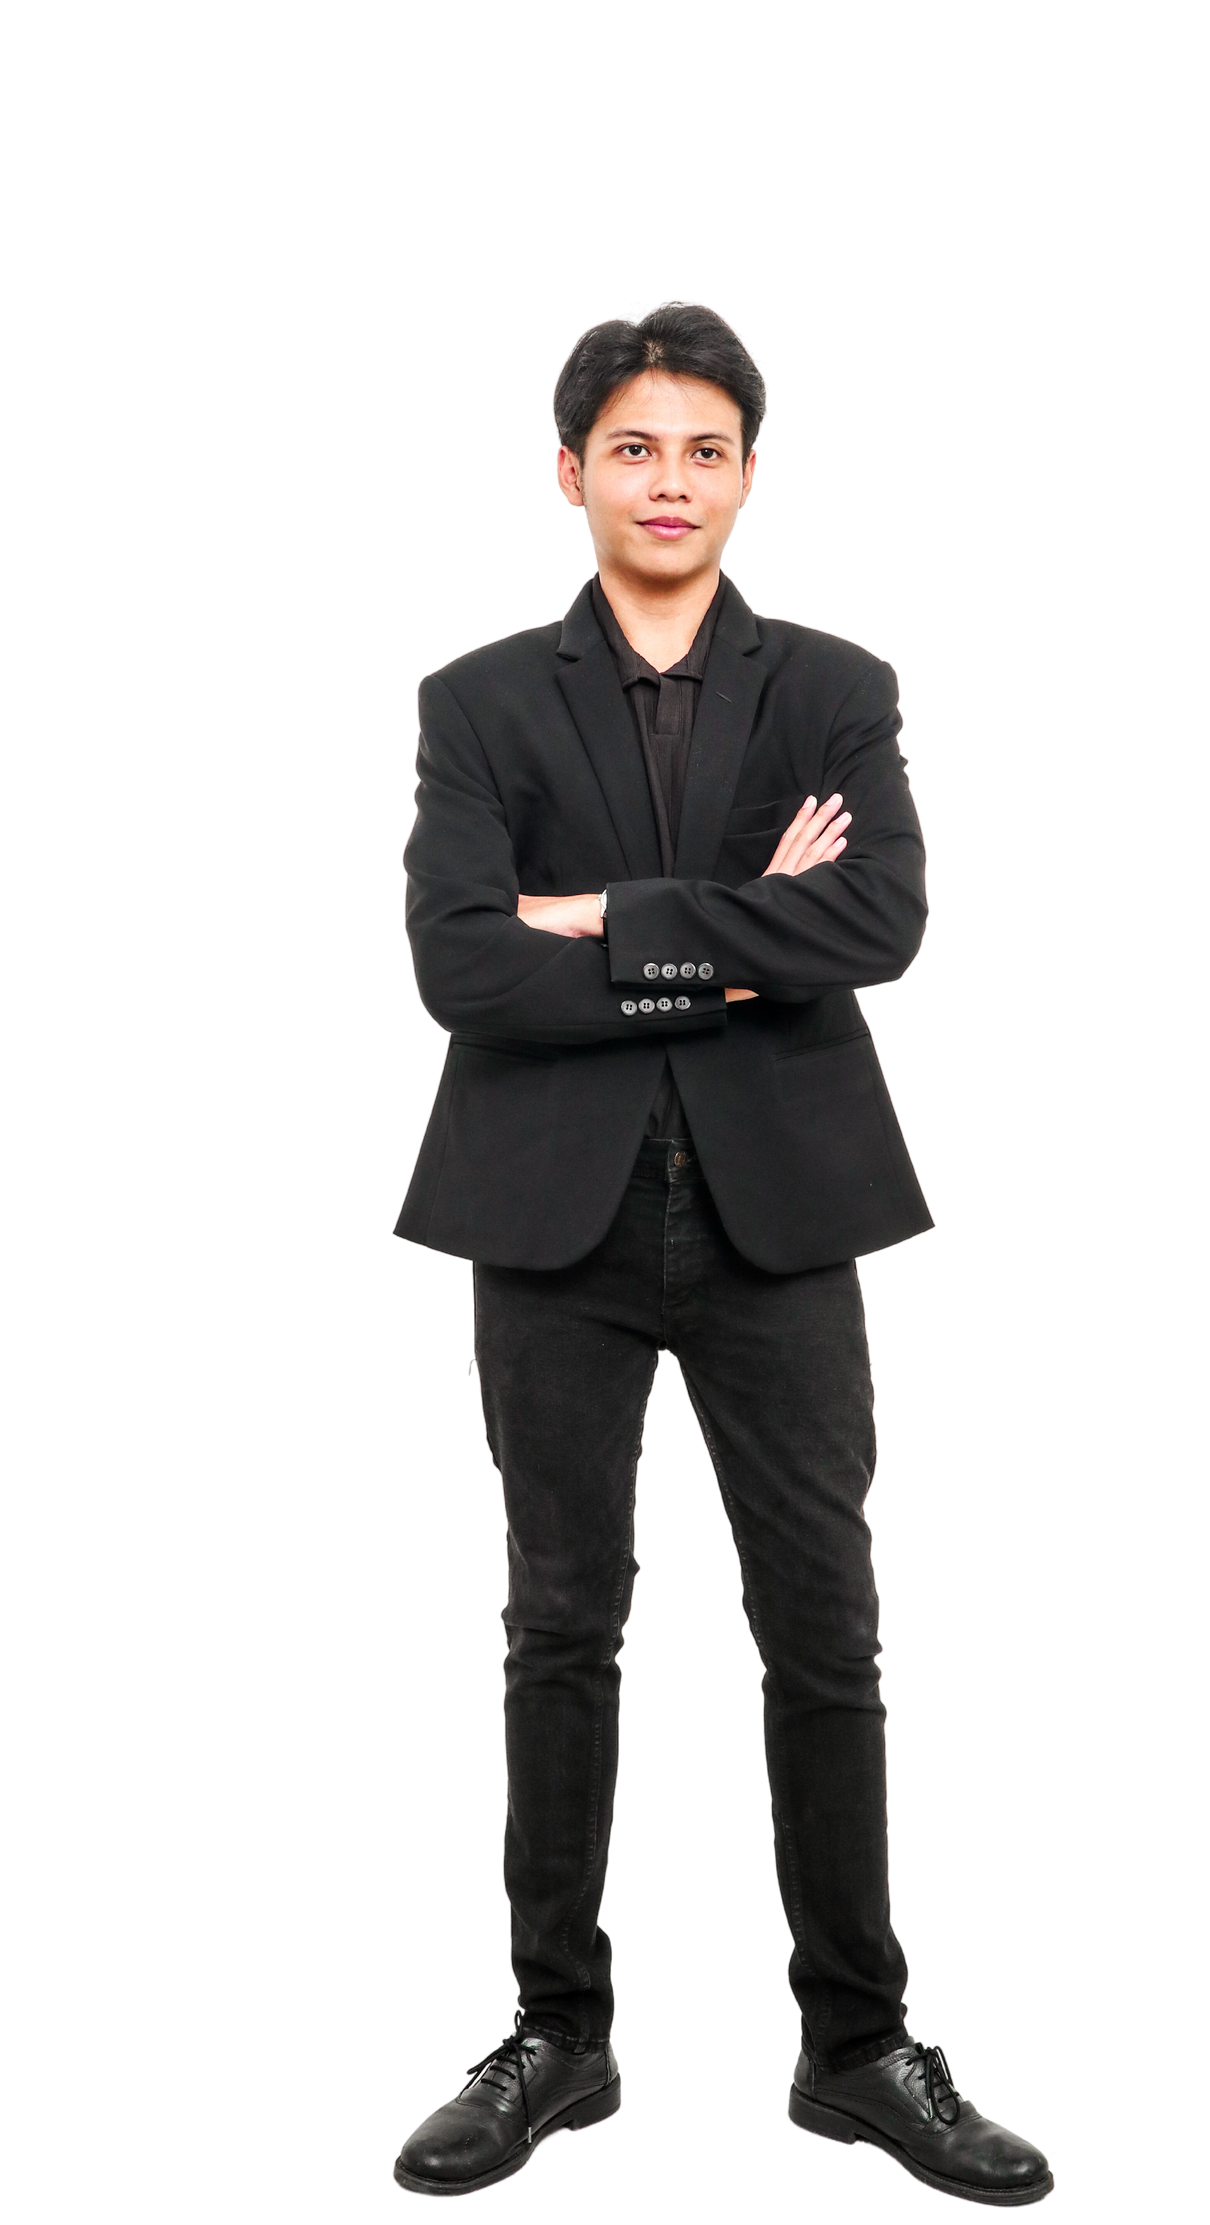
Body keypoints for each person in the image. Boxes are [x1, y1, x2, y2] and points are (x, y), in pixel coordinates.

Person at [387, 298, 1056, 2208]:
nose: (668, 482)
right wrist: (737, 929)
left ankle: (860, 2048)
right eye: (633, 449)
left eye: (704, 451)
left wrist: (594, 918)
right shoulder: (474, 699)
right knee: (559, 1626)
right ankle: (557, 2036)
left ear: (750, 476)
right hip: (550, 1220)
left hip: (787, 1219)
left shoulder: (837, 683)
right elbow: (457, 966)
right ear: (568, 474)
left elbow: (882, 925)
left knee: (829, 1631)